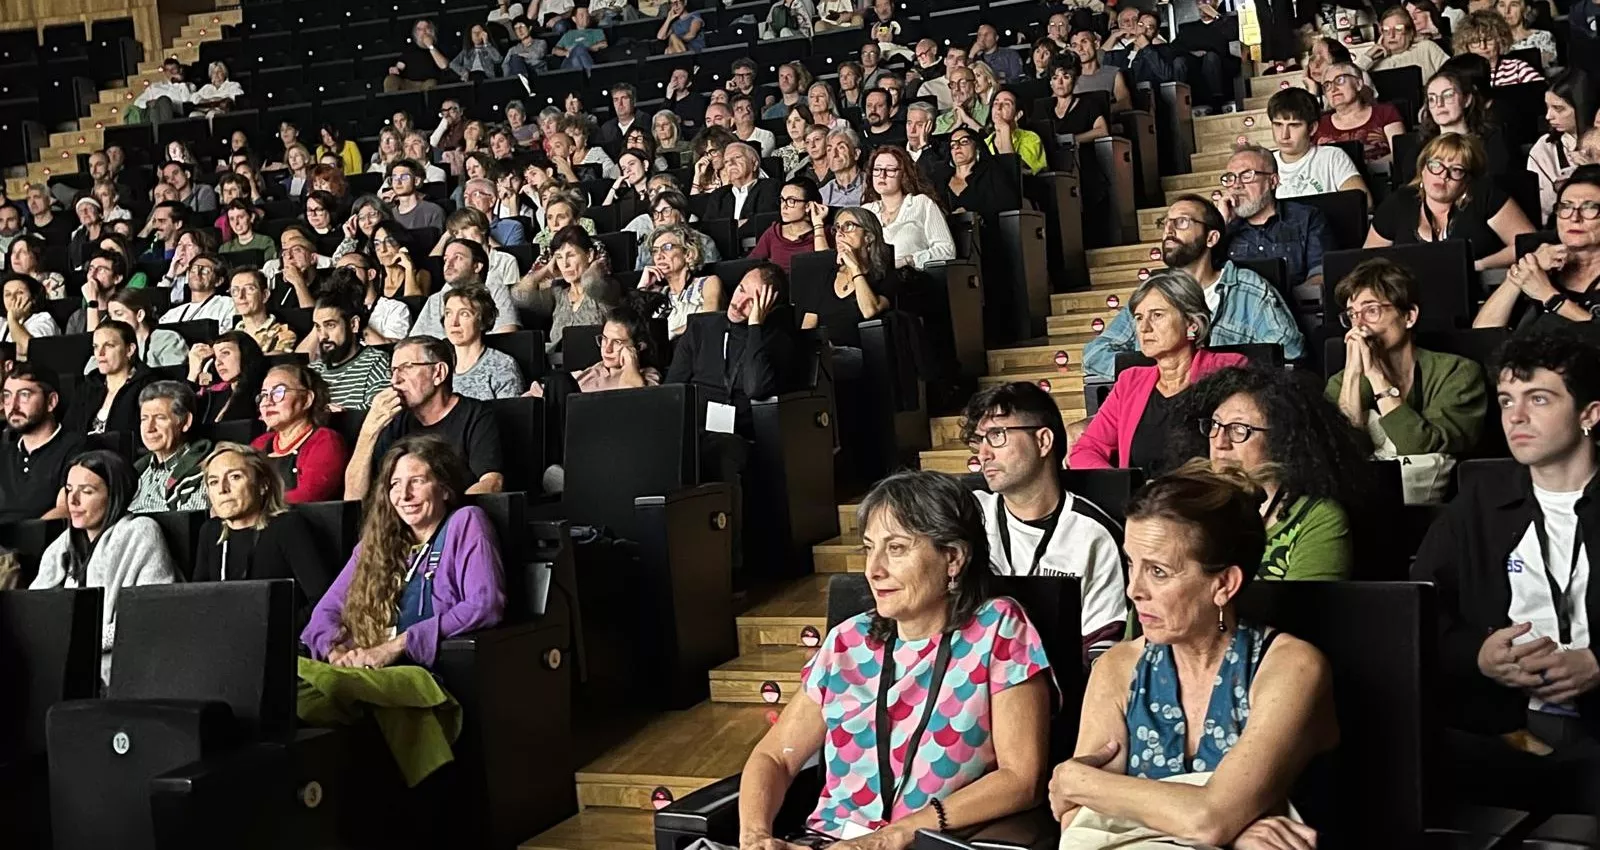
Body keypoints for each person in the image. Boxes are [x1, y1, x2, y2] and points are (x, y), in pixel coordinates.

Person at [735, 469, 1051, 847]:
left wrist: (894, 835)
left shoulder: (997, 628)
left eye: (896, 548)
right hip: (827, 840)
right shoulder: (847, 643)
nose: (874, 569)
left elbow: (1022, 778)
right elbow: (776, 757)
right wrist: (754, 837)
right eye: (869, 548)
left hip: (927, 843)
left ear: (952, 558)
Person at [1048, 462, 1337, 848]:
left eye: (1159, 572)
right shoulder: (1117, 668)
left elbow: (1209, 818)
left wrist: (1079, 780)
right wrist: (1233, 829)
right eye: (1131, 564)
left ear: (1223, 584)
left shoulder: (1291, 667)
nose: (1134, 589)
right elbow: (1079, 824)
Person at [1413, 328, 1600, 818]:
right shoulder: (1477, 504)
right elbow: (1417, 611)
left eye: (1538, 399)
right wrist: (1477, 655)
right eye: (1506, 400)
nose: (1515, 417)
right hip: (1506, 728)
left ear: (1590, 414)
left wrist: (1598, 663)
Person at [306, 435, 506, 669]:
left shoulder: (465, 522)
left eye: (417, 481)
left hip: (426, 672)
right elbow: (324, 612)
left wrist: (398, 645)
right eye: (395, 484)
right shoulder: (375, 544)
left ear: (444, 488)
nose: (404, 495)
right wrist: (336, 652)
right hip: (366, 668)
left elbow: (485, 604)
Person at [962, 382, 1127, 661]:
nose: (983, 454)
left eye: (997, 435)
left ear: (1043, 441)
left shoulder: (1093, 534)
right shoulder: (966, 516)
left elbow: (1102, 648)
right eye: (979, 441)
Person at [1082, 196, 1306, 381]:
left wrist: (1206, 374)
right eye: (1166, 223)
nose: (1169, 230)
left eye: (1182, 222)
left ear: (1211, 237)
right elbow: (1094, 354)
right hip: (1160, 403)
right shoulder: (1152, 293)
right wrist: (1164, 371)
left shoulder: (1248, 288)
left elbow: (1290, 349)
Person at [1176, 365, 1365, 580]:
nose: (1220, 442)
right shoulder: (1187, 504)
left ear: (1281, 441)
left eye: (1239, 429)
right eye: (1215, 425)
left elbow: (1306, 613)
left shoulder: (1319, 518)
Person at [1327, 258, 1487, 502]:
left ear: (1409, 316)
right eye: (1352, 315)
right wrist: (1352, 373)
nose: (1359, 326)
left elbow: (1418, 448)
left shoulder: (1457, 373)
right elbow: (1343, 454)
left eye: (1372, 311)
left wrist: (1376, 375)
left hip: (1440, 509)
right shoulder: (1341, 383)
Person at [1069, 270, 1251, 471]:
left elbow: (1243, 453)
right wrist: (1122, 487)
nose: (1144, 328)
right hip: (1141, 499)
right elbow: (1085, 450)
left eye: (1157, 315)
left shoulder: (1227, 370)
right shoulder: (1129, 382)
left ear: (1191, 323)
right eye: (1138, 318)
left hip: (1206, 497)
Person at [31, 450, 177, 683]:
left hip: (120, 671)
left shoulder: (141, 532)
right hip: (60, 664)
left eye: (87, 491)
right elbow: (36, 609)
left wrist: (79, 642)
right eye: (69, 490)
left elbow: (151, 616)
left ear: (114, 495)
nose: (73, 501)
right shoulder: (62, 544)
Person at [344, 336, 504, 502]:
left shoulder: (475, 415)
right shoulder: (394, 420)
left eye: (407, 367)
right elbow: (353, 498)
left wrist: (445, 516)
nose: (395, 380)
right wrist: (369, 429)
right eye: (393, 371)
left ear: (438, 373)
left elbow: (492, 482)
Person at [193, 443, 332, 627]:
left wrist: (274, 633)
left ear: (263, 485)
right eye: (213, 481)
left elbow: (323, 601)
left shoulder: (287, 527)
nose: (222, 489)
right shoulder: (210, 532)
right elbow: (197, 603)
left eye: (235, 477)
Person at [1367, 133, 1535, 272]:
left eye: (1456, 170)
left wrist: (1480, 265)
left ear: (1468, 179)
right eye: (1435, 165)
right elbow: (1367, 260)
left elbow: (1527, 244)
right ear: (1423, 169)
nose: (1443, 175)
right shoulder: (1399, 201)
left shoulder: (1485, 195)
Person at [1479, 167, 1600, 331]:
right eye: (1566, 207)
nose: (1574, 217)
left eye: (1589, 208)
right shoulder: (1541, 259)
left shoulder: (1545, 289)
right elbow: (1484, 330)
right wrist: (1523, 273)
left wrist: (1549, 296)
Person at [1221, 146, 1334, 301]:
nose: (1236, 185)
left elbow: (1320, 275)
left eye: (1247, 175)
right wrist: (1220, 223)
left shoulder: (1307, 218)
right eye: (1230, 178)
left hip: (1295, 311)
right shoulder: (1224, 230)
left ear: (1272, 181)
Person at [250, 363, 349, 503]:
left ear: (307, 399)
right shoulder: (259, 443)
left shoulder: (325, 441)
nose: (267, 402)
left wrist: (254, 504)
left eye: (278, 392)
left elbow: (309, 496)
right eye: (264, 395)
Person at [512, 226, 617, 353]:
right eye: (559, 257)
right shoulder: (557, 294)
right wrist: (545, 270)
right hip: (558, 367)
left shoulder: (605, 288)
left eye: (571, 255)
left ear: (589, 255)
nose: (565, 264)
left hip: (596, 366)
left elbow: (591, 283)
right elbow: (518, 295)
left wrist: (595, 265)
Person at [0, 365, 82, 523]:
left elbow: (66, 510)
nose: (13, 405)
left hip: (40, 543)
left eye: (24, 395)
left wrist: (22, 537)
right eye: (7, 396)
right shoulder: (4, 451)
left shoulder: (76, 449)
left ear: (51, 402)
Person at [862, 147, 956, 272]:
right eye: (877, 169)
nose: (882, 175)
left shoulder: (922, 203)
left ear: (903, 174)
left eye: (890, 170)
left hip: (912, 280)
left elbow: (947, 250)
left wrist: (910, 260)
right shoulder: (866, 211)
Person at [1268, 88, 1369, 202]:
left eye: (1294, 125)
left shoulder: (1332, 157)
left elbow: (1364, 203)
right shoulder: (1262, 163)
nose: (1284, 135)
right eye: (1278, 125)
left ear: (1312, 128)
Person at [411, 237, 519, 339]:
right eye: (445, 259)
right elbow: (414, 342)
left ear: (476, 266)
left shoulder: (495, 292)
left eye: (458, 258)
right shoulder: (435, 299)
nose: (449, 264)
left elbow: (506, 335)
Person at [129, 381, 211, 512]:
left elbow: (188, 525)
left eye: (160, 418)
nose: (150, 428)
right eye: (144, 419)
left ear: (185, 422)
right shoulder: (135, 473)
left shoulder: (202, 472)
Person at [1530, 70, 1599, 223]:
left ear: (1583, 108)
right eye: (1547, 108)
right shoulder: (1544, 149)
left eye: (1558, 108)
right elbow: (1542, 208)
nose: (1548, 116)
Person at [67, 321, 158, 436]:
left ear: (129, 350)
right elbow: (69, 432)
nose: (100, 353)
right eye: (96, 347)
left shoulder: (149, 386)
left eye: (109, 346)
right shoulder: (87, 387)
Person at [1418, 66, 1512, 177]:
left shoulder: (1491, 140)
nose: (1439, 104)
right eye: (1432, 99)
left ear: (1466, 100)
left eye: (1448, 95)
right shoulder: (1421, 147)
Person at [308, 294, 393, 410]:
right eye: (318, 327)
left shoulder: (376, 362)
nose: (323, 336)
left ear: (353, 324)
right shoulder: (313, 370)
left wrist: (343, 416)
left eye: (330, 325)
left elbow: (381, 411)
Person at [1314, 61, 1406, 166]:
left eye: (1340, 80)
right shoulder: (1319, 124)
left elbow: (1400, 155)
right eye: (1327, 85)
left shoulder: (1385, 112)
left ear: (1358, 84)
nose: (1333, 89)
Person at [640, 223, 722, 341]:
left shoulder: (708, 283)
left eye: (667, 247)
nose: (658, 256)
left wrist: (667, 336)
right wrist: (642, 288)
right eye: (654, 251)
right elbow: (632, 332)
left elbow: (707, 320)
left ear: (688, 254)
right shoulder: (658, 295)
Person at [443, 285, 523, 400]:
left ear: (482, 322)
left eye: (464, 314)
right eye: (448, 313)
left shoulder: (501, 365)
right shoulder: (438, 366)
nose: (454, 322)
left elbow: (512, 414)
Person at [749, 178, 831, 274]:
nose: (784, 206)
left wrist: (818, 225)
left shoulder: (826, 232)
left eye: (791, 201)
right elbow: (750, 264)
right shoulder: (774, 232)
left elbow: (826, 267)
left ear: (808, 206)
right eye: (782, 200)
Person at [187, 330, 268, 424]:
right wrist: (193, 373)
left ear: (245, 354)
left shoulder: (263, 394)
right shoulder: (212, 395)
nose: (218, 362)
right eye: (215, 357)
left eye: (225, 353)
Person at [100, 287, 187, 370]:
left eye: (119, 314)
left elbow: (174, 377)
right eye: (111, 316)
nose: (113, 321)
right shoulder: (112, 344)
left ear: (140, 315)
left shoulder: (166, 339)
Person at [1356, 4, 1450, 80]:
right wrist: (1367, 58)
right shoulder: (1372, 61)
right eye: (1386, 30)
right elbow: (1351, 84)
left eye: (1398, 29)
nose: (1391, 35)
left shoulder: (1426, 48)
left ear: (1410, 32)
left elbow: (1453, 74)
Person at [944, 127, 1017, 222]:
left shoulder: (992, 174)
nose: (957, 146)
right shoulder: (941, 180)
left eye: (964, 142)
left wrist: (974, 214)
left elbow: (1010, 206)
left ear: (977, 147)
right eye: (953, 145)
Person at [1456, 10, 1544, 86]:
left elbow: (1541, 93)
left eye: (1489, 39)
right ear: (1466, 46)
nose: (1483, 46)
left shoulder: (1518, 68)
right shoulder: (1459, 74)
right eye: (1475, 41)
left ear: (1500, 40)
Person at [228, 267, 297, 355]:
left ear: (265, 295)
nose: (241, 296)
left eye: (250, 289)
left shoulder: (283, 333)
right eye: (235, 290)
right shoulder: (229, 336)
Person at [158, 253, 236, 328]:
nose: (197, 274)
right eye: (194, 269)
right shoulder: (173, 314)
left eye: (205, 271)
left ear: (218, 281)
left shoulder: (228, 305)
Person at [1045, 56, 1110, 145]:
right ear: (1051, 82)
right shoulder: (1043, 107)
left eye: (1066, 77)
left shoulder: (1088, 104)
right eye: (1055, 78)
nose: (1060, 82)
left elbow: (1102, 131)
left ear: (1075, 80)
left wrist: (1071, 139)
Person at [986, 89, 1046, 175]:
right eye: (995, 103)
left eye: (1006, 104)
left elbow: (1018, 174)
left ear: (1018, 115)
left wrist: (1005, 130)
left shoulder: (1031, 139)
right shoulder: (986, 142)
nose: (998, 108)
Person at [1, 273, 57, 359]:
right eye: (8, 294)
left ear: (33, 298)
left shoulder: (43, 319)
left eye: (20, 292)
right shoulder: (2, 322)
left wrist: (12, 319)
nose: (13, 298)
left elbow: (25, 349)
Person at [384, 19, 451, 92]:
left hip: (428, 83)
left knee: (431, 84)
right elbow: (401, 64)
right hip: (409, 83)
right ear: (415, 33)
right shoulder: (410, 48)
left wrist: (430, 46)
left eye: (427, 28)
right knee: (390, 80)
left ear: (432, 31)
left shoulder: (439, 47)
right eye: (419, 29)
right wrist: (395, 69)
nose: (423, 31)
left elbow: (444, 65)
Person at [387, 159, 446, 233]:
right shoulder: (388, 215)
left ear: (416, 181)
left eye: (404, 177)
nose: (398, 182)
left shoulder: (433, 211)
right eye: (395, 178)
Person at [1498, 0, 1558, 67]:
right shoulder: (1491, 40)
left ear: (1526, 10)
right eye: (1502, 5)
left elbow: (1551, 71)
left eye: (1514, 5)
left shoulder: (1542, 37)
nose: (1506, 11)